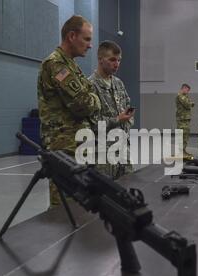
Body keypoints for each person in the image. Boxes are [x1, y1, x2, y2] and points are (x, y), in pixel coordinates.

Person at [37, 15, 101, 208]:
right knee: (64, 207)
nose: (90, 45)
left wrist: (92, 97)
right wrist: (95, 100)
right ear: (72, 36)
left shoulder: (71, 65)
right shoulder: (56, 64)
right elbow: (83, 103)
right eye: (87, 39)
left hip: (77, 143)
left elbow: (89, 94)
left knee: (79, 201)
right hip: (64, 146)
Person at [88, 40, 135, 179]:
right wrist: (117, 119)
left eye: (119, 60)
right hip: (103, 156)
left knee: (129, 192)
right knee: (105, 196)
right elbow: (92, 123)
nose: (117, 64)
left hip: (123, 150)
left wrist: (128, 118)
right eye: (112, 60)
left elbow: (128, 108)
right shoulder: (90, 85)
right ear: (100, 60)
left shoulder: (118, 83)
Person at [175, 83, 194, 158]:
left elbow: (189, 103)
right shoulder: (180, 96)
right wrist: (190, 103)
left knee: (186, 135)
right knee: (181, 135)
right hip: (181, 119)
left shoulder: (185, 96)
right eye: (187, 90)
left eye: (188, 90)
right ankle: (180, 152)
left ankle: (183, 150)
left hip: (186, 119)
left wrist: (190, 103)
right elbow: (187, 104)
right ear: (183, 88)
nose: (187, 91)